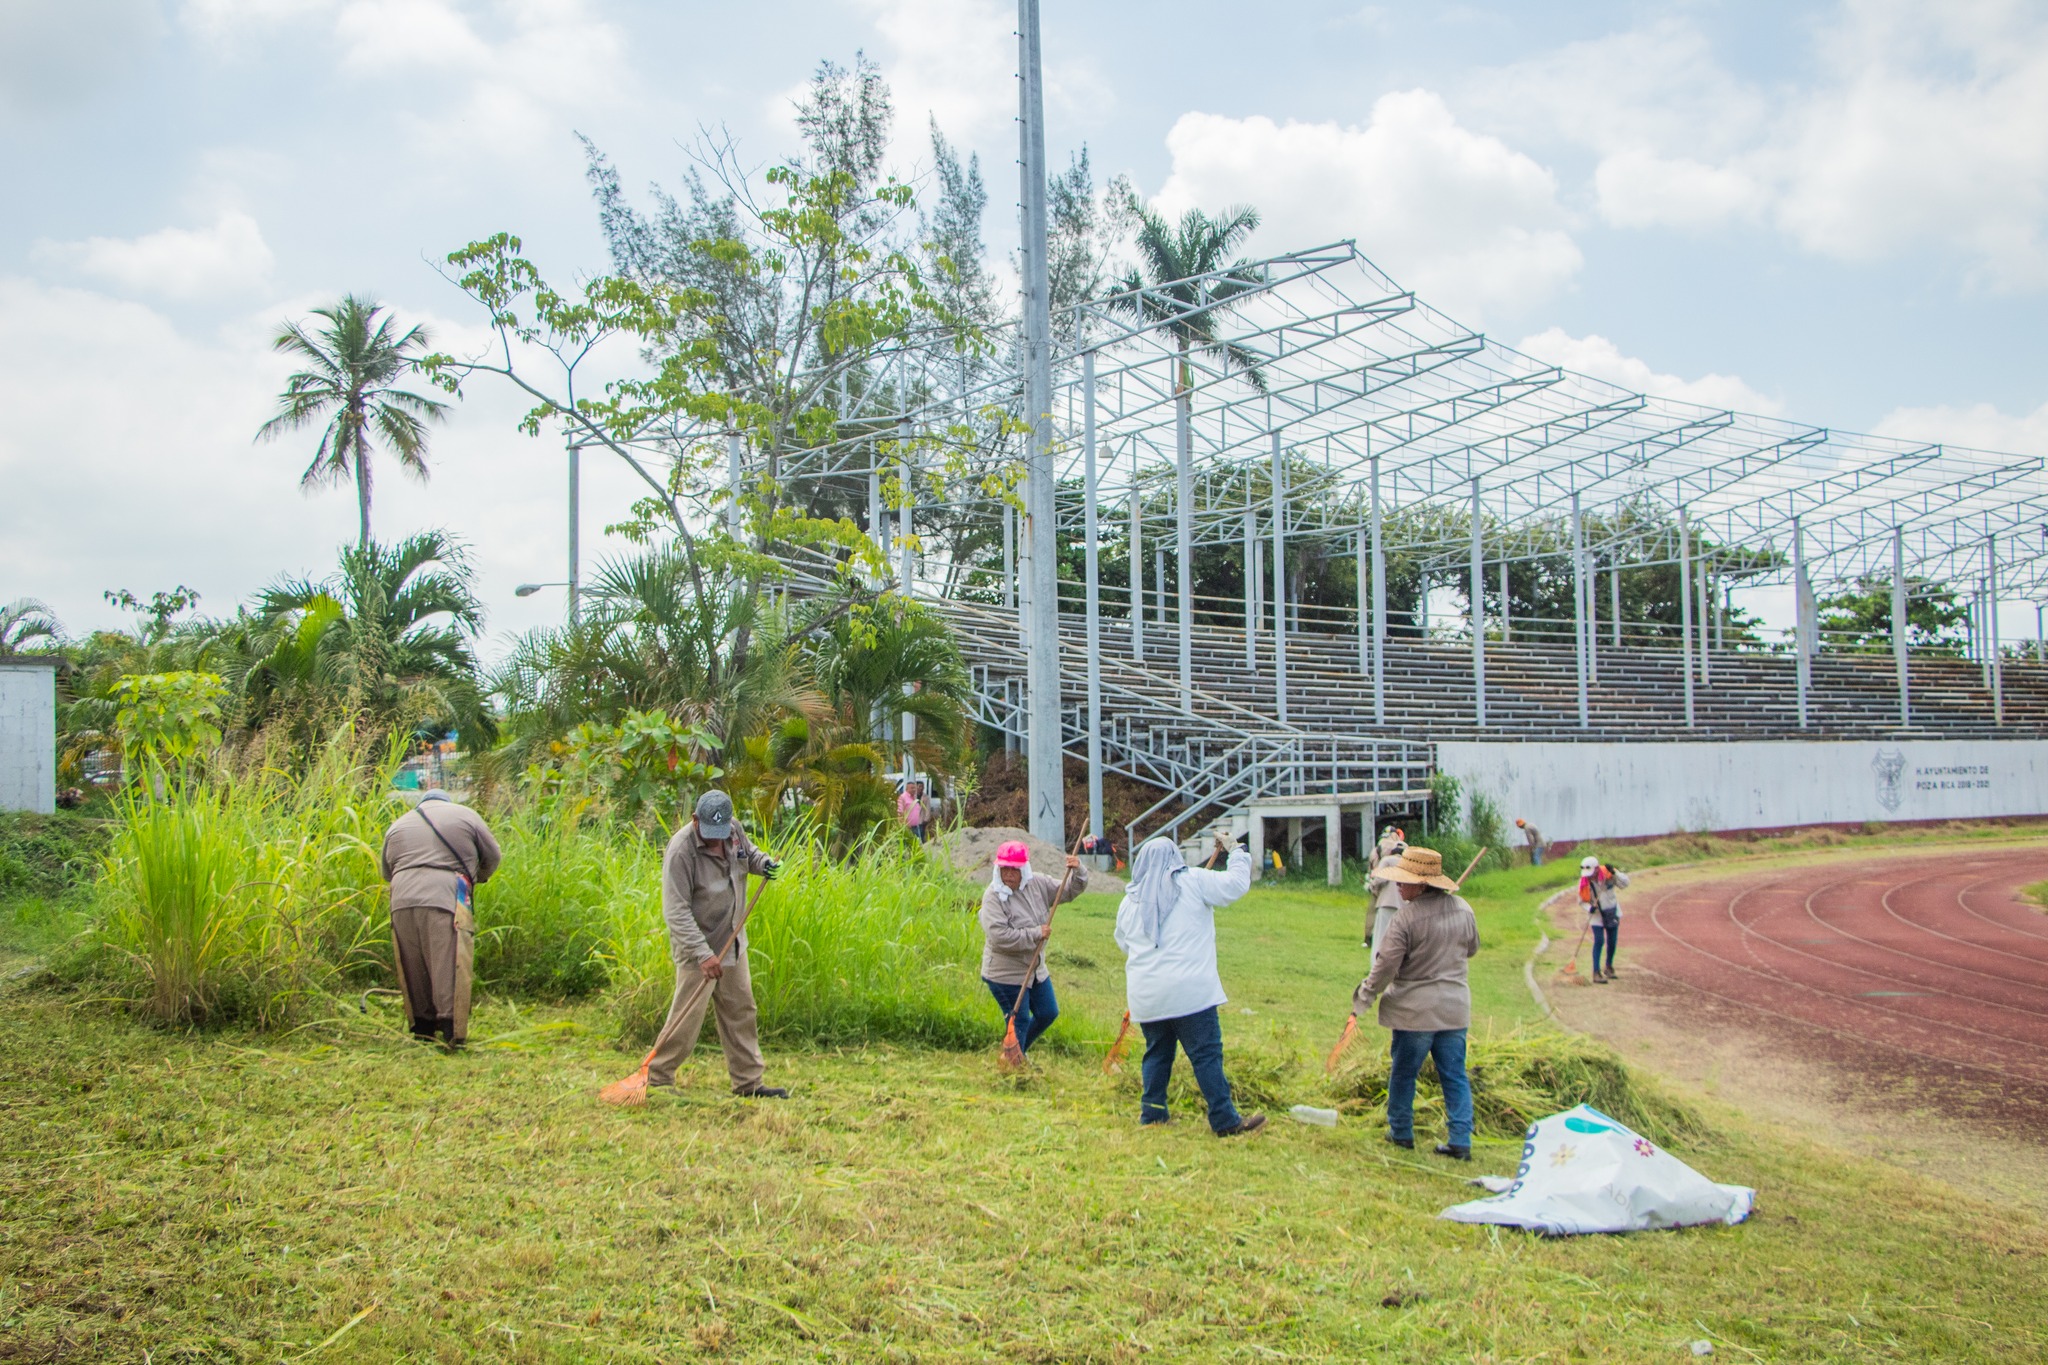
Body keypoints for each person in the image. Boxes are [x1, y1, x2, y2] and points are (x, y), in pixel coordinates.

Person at [1114, 832, 1266, 1138]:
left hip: (1148, 995)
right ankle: (1225, 1119)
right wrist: (1236, 851)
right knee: (1206, 1054)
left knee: (1157, 1053)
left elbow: (1124, 944)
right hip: (1190, 994)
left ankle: (1152, 1114)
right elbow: (1236, 884)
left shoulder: (1130, 901)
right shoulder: (1194, 881)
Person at [645, 790, 787, 1098]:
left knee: (741, 1011)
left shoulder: (732, 830)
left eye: (720, 833)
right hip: (697, 948)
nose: (715, 840)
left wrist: (763, 864)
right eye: (710, 833)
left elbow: (748, 854)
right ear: (696, 820)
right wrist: (703, 954)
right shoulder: (681, 851)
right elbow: (676, 911)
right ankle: (658, 1078)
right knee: (687, 1017)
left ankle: (748, 1083)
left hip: (732, 940)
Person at [1350, 846, 1481, 1160]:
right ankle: (1461, 1139)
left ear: (1423, 884)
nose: (1398, 885)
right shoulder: (1464, 909)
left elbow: (1385, 966)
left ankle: (1400, 1132)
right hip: (1453, 1008)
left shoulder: (1406, 918)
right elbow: (1472, 948)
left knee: (1404, 1073)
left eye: (1404, 880)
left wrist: (1364, 996)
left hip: (1414, 1012)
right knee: (1455, 1075)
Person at [380, 789, 502, 1047]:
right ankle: (450, 1029)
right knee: (449, 960)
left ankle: (422, 1028)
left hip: (401, 897)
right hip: (444, 892)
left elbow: (387, 872)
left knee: (413, 962)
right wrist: (478, 877)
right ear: (447, 801)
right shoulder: (466, 815)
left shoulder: (398, 825)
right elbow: (493, 856)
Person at [979, 840, 1088, 1054]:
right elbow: (1000, 936)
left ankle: (1013, 1054)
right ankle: (1014, 1063)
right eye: (1004, 868)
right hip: (1005, 973)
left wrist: (1078, 871)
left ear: (1024, 869)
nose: (1009, 874)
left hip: (1035, 970)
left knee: (1048, 1012)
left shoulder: (1038, 884)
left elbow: (1068, 890)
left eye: (1014, 869)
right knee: (1018, 1020)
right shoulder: (992, 897)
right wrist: (1036, 933)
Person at [1579, 856, 1630, 984]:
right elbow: (1581, 901)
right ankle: (1596, 972)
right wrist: (1589, 908)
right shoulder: (1584, 882)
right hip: (1596, 916)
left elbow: (1625, 884)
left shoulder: (1609, 874)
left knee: (1612, 941)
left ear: (1597, 869)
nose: (1589, 877)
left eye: (1591, 873)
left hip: (1612, 912)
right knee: (1599, 941)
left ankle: (1609, 966)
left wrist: (1615, 873)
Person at [1364, 838, 1407, 956]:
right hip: (1404, 906)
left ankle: (1376, 962)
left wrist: (1371, 886)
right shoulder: (1407, 863)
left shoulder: (1387, 860)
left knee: (1381, 936)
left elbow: (1380, 878)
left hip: (1386, 903)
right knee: (1399, 937)